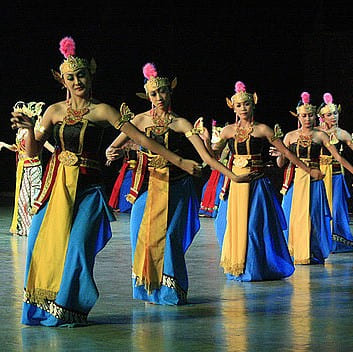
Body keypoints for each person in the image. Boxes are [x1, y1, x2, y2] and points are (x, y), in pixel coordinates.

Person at [10, 37, 202, 327]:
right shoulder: (53, 111)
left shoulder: (103, 111)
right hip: (56, 188)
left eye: (82, 75)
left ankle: (68, 307)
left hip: (89, 191)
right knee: (41, 242)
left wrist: (181, 161)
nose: (77, 81)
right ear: (61, 80)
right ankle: (41, 307)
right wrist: (27, 130)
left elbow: (144, 139)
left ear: (91, 74)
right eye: (70, 77)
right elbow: (33, 152)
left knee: (77, 247)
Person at [105, 63, 256, 305]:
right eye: (154, 94)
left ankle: (170, 291)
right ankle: (147, 288)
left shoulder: (181, 123)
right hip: (146, 186)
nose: (159, 97)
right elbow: (114, 145)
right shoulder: (139, 121)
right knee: (140, 235)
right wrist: (113, 153)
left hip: (176, 187)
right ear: (148, 96)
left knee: (170, 238)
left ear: (170, 91)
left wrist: (234, 176)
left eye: (163, 91)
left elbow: (206, 159)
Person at [213, 81, 323, 282]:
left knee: (255, 227)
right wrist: (203, 141)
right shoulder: (227, 131)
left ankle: (256, 269)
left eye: (246, 104)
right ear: (233, 108)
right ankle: (238, 266)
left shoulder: (263, 129)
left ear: (253, 104)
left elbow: (287, 153)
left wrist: (308, 170)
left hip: (257, 184)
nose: (243, 108)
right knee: (236, 226)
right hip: (237, 185)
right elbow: (213, 155)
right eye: (239, 105)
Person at [275, 91, 353, 265]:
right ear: (299, 116)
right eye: (304, 115)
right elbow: (281, 164)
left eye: (310, 115)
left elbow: (338, 158)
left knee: (315, 215)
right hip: (295, 180)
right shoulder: (290, 136)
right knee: (293, 215)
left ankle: (313, 250)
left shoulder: (321, 136)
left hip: (315, 180)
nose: (308, 119)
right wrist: (280, 151)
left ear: (314, 116)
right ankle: (294, 250)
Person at [0, 101, 54, 236]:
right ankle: (25, 228)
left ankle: (37, 228)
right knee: (23, 200)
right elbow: (18, 149)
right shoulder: (19, 132)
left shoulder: (34, 130)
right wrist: (4, 145)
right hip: (23, 168)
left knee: (35, 198)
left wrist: (57, 154)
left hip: (34, 167)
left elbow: (43, 145)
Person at [317, 93, 353, 252]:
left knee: (337, 207)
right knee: (319, 207)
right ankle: (320, 240)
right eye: (329, 114)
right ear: (322, 117)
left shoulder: (342, 133)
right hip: (319, 176)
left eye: (335, 113)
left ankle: (339, 242)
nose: (333, 117)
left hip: (337, 176)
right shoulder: (316, 132)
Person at [199, 120, 229, 218]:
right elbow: (212, 155)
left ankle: (217, 211)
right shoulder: (217, 145)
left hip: (224, 173)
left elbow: (218, 158)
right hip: (216, 171)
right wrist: (206, 141)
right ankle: (207, 209)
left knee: (219, 189)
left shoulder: (228, 146)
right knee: (207, 188)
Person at [107, 139, 139, 213]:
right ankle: (124, 207)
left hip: (139, 169)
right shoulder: (126, 143)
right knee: (125, 186)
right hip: (129, 170)